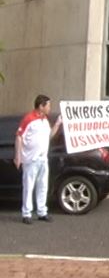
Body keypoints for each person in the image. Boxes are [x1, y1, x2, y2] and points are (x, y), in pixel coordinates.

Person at [14, 95, 63, 224]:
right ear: (41, 106)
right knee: (29, 187)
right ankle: (26, 213)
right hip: (31, 159)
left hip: (42, 159)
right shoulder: (29, 119)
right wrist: (18, 156)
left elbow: (49, 136)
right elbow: (19, 136)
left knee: (43, 186)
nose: (49, 108)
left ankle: (42, 211)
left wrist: (57, 124)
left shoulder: (45, 120)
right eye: (48, 105)